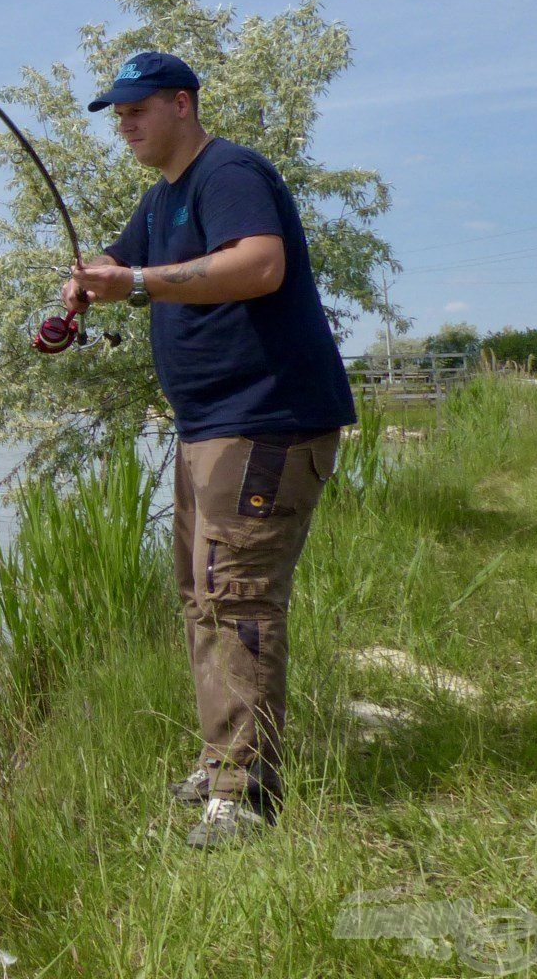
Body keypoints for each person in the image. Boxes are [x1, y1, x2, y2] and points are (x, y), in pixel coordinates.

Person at [63, 51, 356, 850]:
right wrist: (93, 280)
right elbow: (125, 263)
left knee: (239, 598)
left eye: (136, 110)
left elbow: (260, 266)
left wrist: (142, 285)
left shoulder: (231, 173)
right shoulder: (163, 198)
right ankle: (224, 760)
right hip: (208, 426)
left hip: (267, 417)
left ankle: (249, 795)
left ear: (182, 104)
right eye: (116, 114)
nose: (123, 125)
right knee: (203, 597)